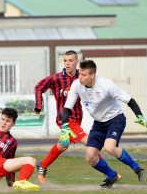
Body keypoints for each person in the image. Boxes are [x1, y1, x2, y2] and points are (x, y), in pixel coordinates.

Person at [60, 60, 147, 188]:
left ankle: (137, 169)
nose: (80, 77)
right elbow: (67, 108)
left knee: (110, 147)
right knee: (90, 157)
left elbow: (129, 100)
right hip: (98, 123)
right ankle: (112, 175)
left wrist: (139, 116)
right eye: (79, 73)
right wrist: (64, 126)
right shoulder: (76, 85)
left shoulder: (106, 85)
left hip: (116, 119)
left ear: (92, 75)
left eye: (83, 75)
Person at [34, 50, 101, 184]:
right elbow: (39, 86)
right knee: (90, 142)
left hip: (77, 118)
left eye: (70, 60)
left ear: (77, 62)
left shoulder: (81, 78)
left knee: (63, 145)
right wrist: (38, 105)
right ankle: (111, 173)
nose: (67, 63)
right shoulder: (56, 78)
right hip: (64, 119)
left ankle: (42, 166)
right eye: (65, 60)